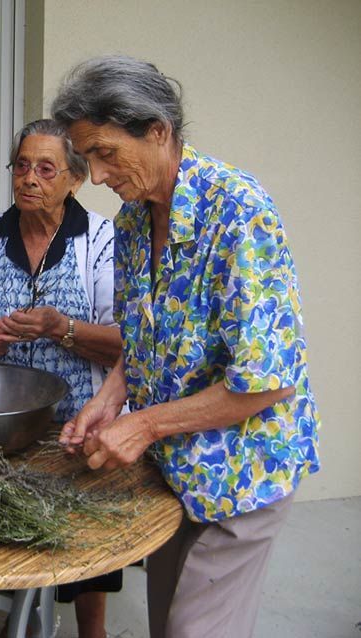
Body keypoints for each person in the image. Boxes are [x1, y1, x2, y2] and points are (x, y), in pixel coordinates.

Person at [51, 55, 321, 638]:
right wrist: (112, 398)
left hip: (243, 474)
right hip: (176, 471)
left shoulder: (240, 214)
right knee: (168, 623)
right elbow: (144, 334)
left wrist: (143, 426)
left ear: (158, 131)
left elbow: (268, 383)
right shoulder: (130, 221)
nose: (95, 177)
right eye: (86, 159)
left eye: (104, 153)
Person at [0, 118, 123, 638]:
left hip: (74, 430)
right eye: (21, 166)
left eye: (46, 168)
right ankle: (10, 623)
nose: (29, 179)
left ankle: (92, 633)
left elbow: (126, 345)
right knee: (6, 542)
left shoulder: (102, 241)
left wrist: (59, 329)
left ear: (75, 179)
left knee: (87, 550)